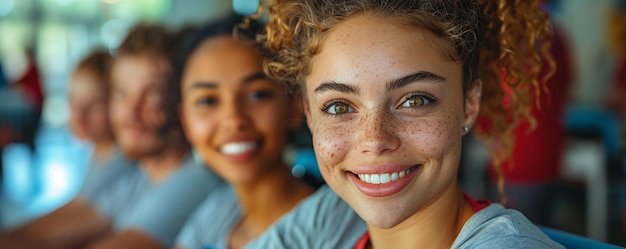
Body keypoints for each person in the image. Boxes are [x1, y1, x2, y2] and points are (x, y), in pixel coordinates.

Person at [257, 0, 564, 248]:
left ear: (469, 105)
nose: (374, 140)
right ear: (310, 116)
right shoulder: (330, 218)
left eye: (415, 100)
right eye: (338, 106)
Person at [0, 24, 221, 249]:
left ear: (178, 102)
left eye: (154, 94)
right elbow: (44, 234)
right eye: (121, 93)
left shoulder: (197, 178)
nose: (131, 112)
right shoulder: (139, 177)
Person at [171, 15, 315, 249]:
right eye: (207, 101)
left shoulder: (332, 224)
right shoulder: (215, 214)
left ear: (295, 104)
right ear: (185, 120)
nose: (234, 120)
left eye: (257, 94)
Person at [67, 50, 135, 202]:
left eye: (94, 106)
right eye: (73, 102)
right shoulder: (98, 153)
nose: (79, 116)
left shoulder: (124, 161)